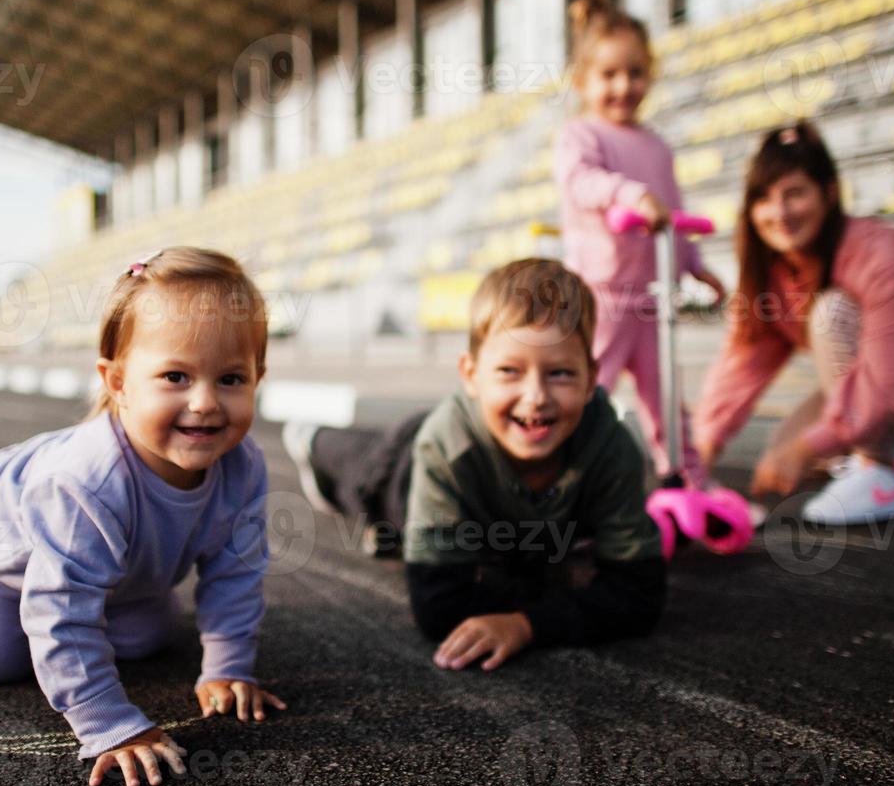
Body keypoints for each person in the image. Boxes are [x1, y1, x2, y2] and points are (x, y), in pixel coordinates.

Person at [0, 247, 286, 786]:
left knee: (151, 638)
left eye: (231, 379)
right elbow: (60, 611)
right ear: (117, 383)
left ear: (258, 376)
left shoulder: (242, 464)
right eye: (175, 377)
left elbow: (236, 572)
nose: (207, 403)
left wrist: (228, 666)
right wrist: (109, 725)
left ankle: (113, 604)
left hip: (113, 573)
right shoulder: (83, 483)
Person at [284, 259, 666, 671]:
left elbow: (639, 594)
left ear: (592, 379)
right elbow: (438, 606)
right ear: (471, 374)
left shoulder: (611, 446)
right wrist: (570, 600)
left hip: (489, 474)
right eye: (509, 371)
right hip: (401, 463)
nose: (536, 396)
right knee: (362, 486)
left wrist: (525, 624)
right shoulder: (444, 449)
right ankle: (312, 439)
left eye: (559, 373)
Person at [693, 123, 894, 524]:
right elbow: (741, 365)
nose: (780, 213)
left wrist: (808, 449)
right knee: (782, 445)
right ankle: (887, 439)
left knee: (831, 314)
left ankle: (879, 469)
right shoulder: (773, 273)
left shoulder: (878, 254)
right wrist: (701, 451)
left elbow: (888, 378)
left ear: (830, 193)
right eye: (764, 199)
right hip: (882, 374)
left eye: (795, 193)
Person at [553, 0, 726, 489]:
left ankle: (689, 480)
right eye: (608, 75)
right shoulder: (579, 136)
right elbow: (581, 184)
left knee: (667, 397)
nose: (623, 86)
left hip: (653, 299)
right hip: (602, 298)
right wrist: (629, 196)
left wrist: (694, 263)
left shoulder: (656, 145)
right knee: (589, 394)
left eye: (635, 72)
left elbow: (669, 212)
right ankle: (565, 487)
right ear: (582, 80)